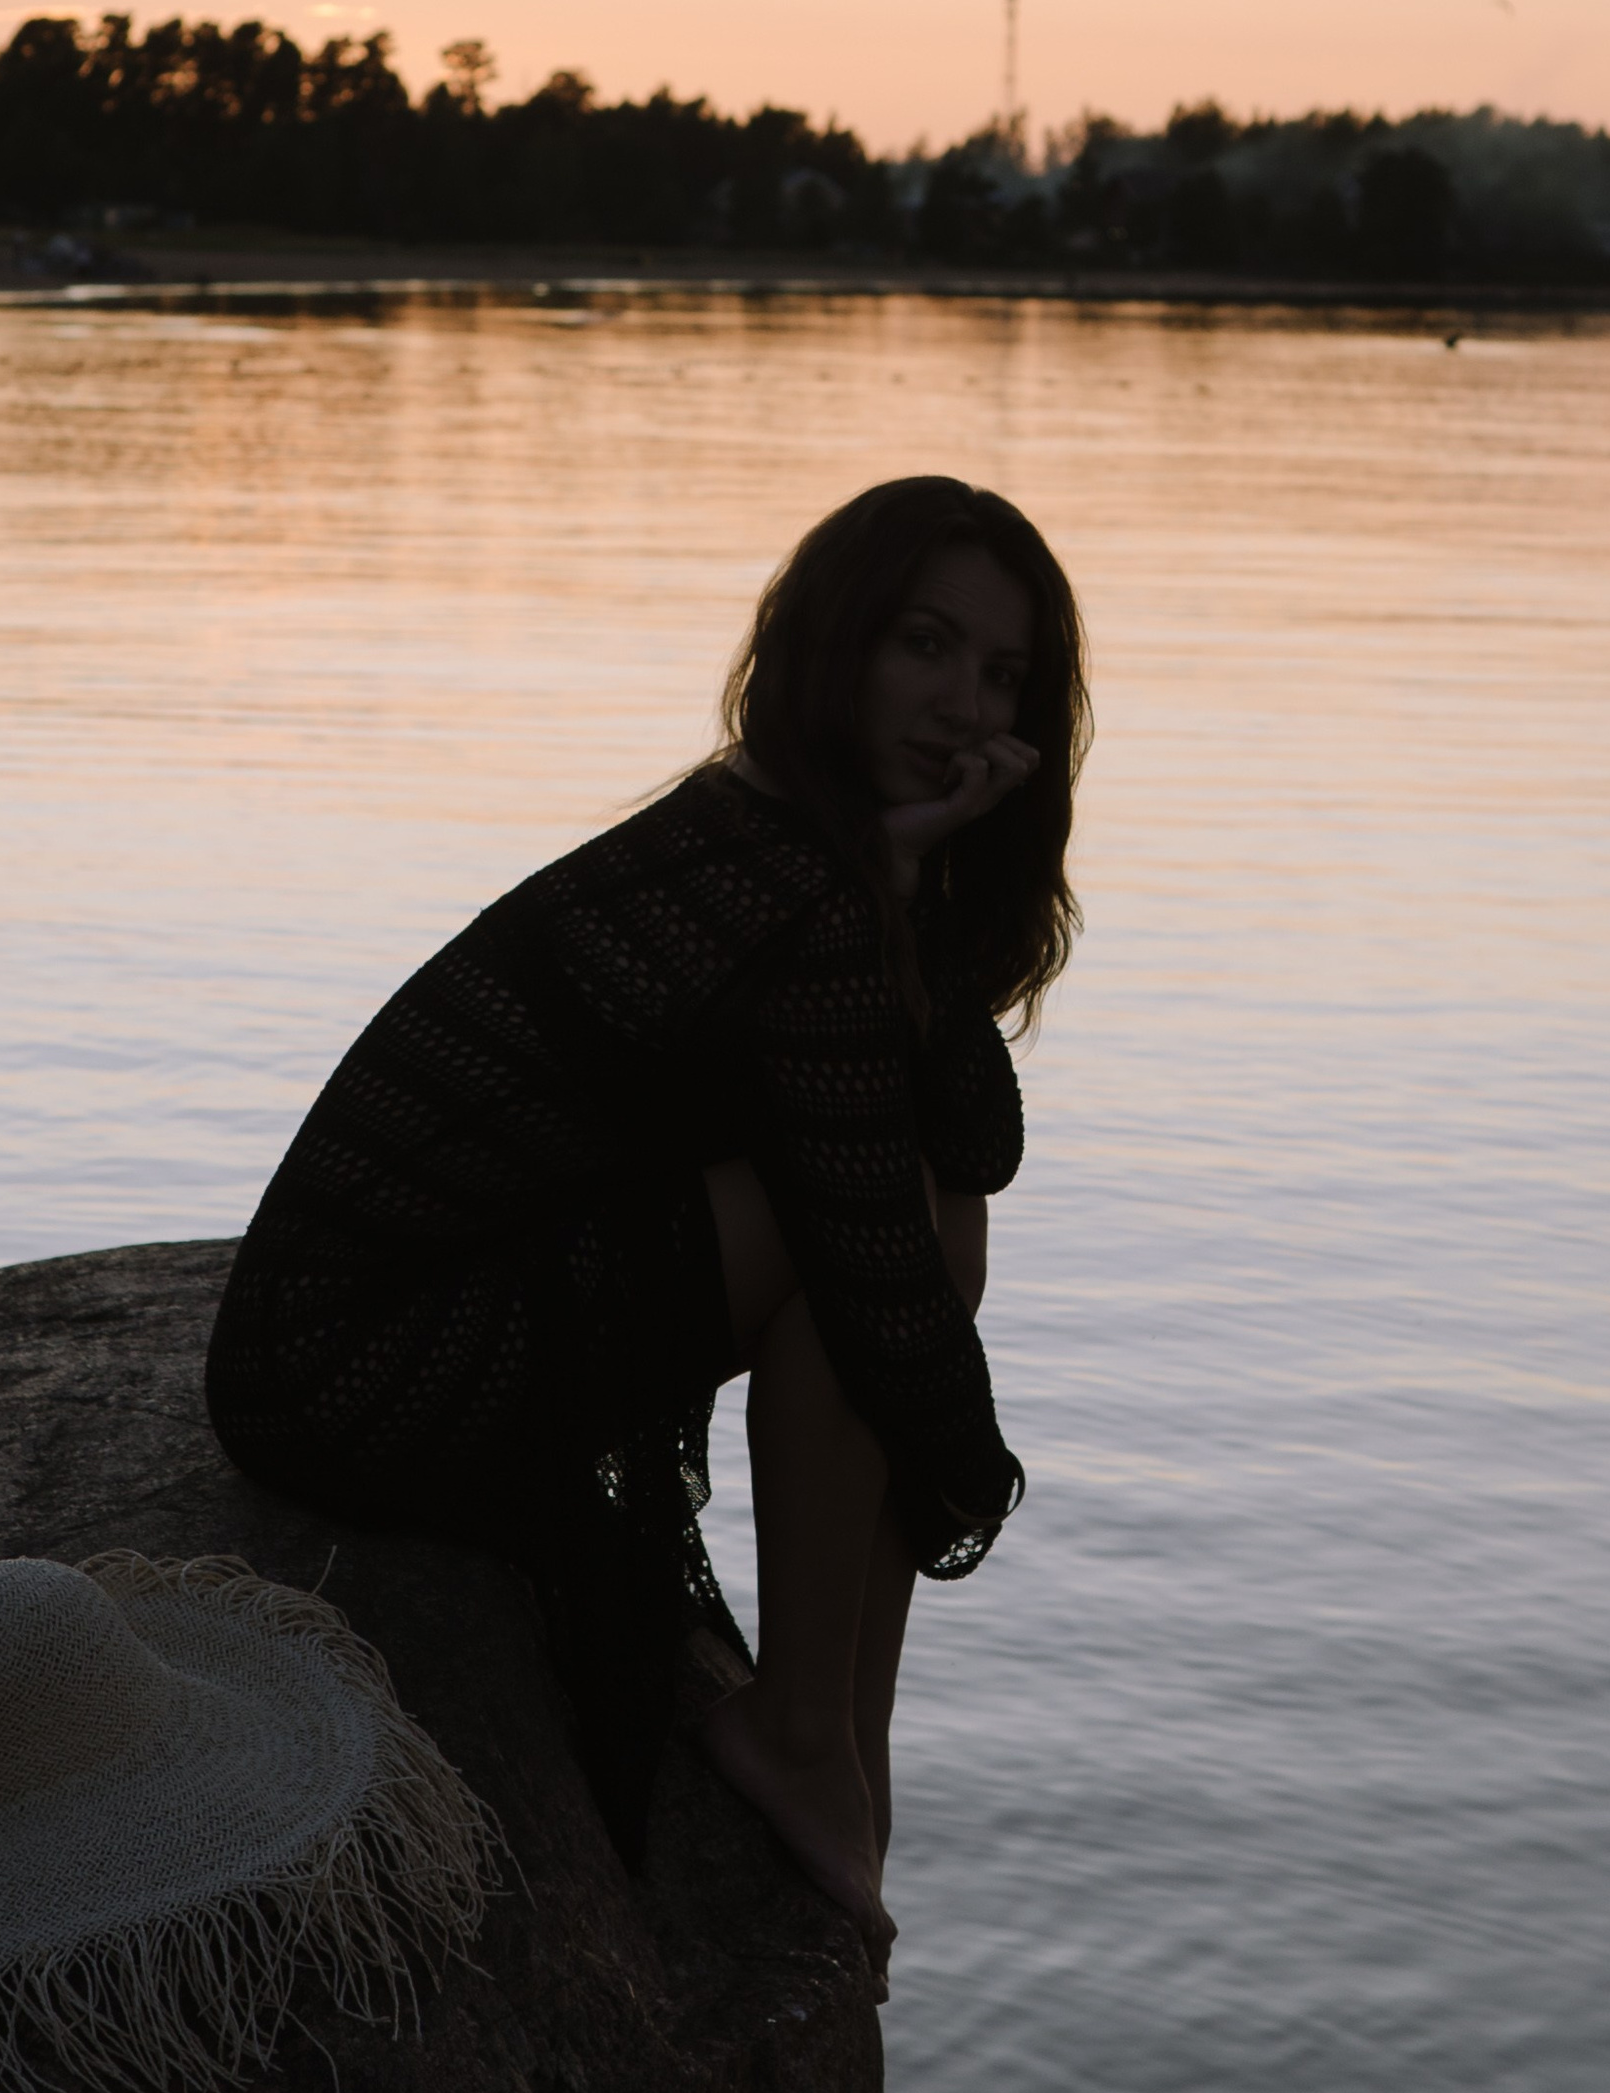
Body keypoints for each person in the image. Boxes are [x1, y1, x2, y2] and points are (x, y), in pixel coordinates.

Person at [206, 475, 1090, 1971]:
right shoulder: (777, 882)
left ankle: (831, 1744)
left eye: (1003, 675)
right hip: (357, 1360)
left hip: (436, 1300)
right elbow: (885, 1261)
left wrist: (909, 885)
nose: (964, 706)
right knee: (863, 1260)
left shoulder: (805, 846)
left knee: (907, 1223)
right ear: (840, 641)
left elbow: (972, 1147)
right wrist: (971, 1480)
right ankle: (814, 1739)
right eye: (926, 647)